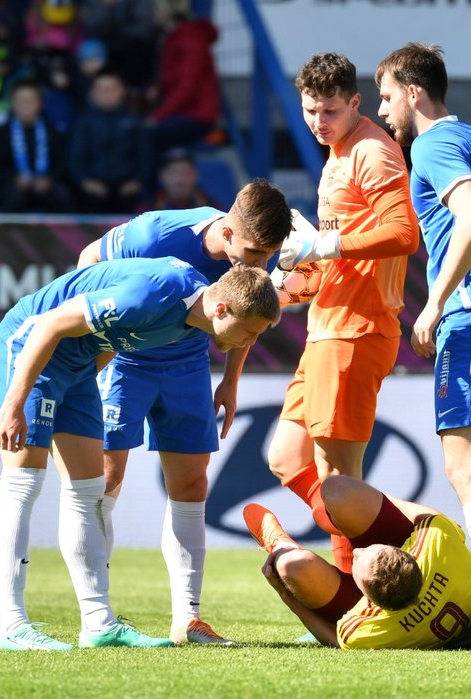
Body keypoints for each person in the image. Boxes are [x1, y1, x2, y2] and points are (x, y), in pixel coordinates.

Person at [0, 260, 280, 651]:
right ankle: (11, 625)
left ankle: (98, 625)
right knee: (23, 482)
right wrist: (16, 400)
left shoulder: (188, 318)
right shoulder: (151, 297)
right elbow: (49, 324)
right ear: (221, 310)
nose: (248, 342)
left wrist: (81, 380)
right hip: (31, 347)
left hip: (76, 366)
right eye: (249, 331)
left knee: (88, 491)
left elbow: (110, 340)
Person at [74, 179, 291, 645]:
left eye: (269, 256)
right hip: (127, 359)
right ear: (229, 232)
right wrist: (100, 345)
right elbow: (89, 260)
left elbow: (245, 313)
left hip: (188, 364)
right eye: (254, 253)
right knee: (106, 479)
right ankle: (98, 618)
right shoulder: (157, 235)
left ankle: (187, 620)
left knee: (192, 483)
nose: (260, 265)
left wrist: (231, 379)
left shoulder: (249, 258)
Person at [375, 42, 471, 650]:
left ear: (414, 91)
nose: (385, 110)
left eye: (387, 95)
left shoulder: (435, 143)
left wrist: (436, 301)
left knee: (465, 466)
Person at [265, 52, 420, 577]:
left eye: (329, 111)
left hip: (356, 331)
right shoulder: (336, 154)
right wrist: (295, 282)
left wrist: (325, 245)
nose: (317, 122)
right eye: (310, 111)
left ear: (355, 102)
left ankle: (369, 588)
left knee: (338, 480)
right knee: (287, 458)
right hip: (328, 327)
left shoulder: (372, 152)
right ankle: (395, 546)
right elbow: (337, 255)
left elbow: (404, 234)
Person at [243, 474, 471, 649]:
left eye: (356, 563)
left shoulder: (371, 630)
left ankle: (280, 547)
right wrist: (351, 508)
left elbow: (334, 639)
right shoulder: (439, 542)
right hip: (437, 592)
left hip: (397, 618)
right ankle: (318, 498)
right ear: (406, 553)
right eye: (367, 551)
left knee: (291, 566)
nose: (355, 553)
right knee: (338, 491)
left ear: (369, 601)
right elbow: (422, 515)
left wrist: (285, 594)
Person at [0, 79, 74, 212]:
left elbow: (62, 163)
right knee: (10, 195)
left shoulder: (53, 133)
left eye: (30, 101)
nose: (26, 105)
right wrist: (14, 178)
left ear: (40, 104)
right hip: (12, 186)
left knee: (61, 194)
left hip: (45, 184)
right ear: (12, 104)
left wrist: (48, 179)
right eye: (21, 101)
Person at [67, 69, 151, 213]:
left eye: (111, 89)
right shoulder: (82, 122)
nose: (107, 94)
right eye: (101, 89)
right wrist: (85, 181)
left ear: (122, 92)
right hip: (91, 189)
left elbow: (145, 155)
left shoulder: (135, 122)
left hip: (127, 188)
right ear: (92, 93)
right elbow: (74, 156)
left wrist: (137, 181)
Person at [147, 0, 221, 158]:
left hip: (196, 115)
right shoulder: (172, 36)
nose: (152, 12)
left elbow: (187, 88)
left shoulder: (188, 39)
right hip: (183, 111)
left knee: (145, 137)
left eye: (156, 8)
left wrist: (158, 116)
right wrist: (158, 88)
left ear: (168, 11)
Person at [137, 148, 221, 213]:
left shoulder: (212, 211)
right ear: (161, 177)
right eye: (172, 173)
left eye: (185, 173)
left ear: (196, 175)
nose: (179, 179)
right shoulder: (147, 211)